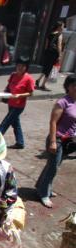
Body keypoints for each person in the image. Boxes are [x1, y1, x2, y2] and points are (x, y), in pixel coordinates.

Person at [35, 75, 76, 208]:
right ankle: (44, 194)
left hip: (69, 141)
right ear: (68, 86)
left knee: (53, 165)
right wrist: (53, 141)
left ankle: (41, 186)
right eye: (73, 85)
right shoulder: (63, 102)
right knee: (52, 168)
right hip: (57, 139)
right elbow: (53, 122)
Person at [0, 57, 35, 149]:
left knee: (5, 122)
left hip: (19, 105)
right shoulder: (13, 75)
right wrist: (5, 92)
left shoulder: (29, 79)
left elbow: (31, 93)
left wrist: (19, 95)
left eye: (22, 66)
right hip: (11, 103)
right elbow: (9, 86)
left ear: (26, 67)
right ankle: (20, 142)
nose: (20, 67)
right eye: (18, 65)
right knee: (15, 123)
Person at [36, 21, 64, 92]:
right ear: (59, 27)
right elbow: (59, 45)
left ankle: (38, 80)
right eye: (62, 26)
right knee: (49, 68)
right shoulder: (59, 35)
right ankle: (43, 85)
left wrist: (46, 51)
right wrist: (60, 55)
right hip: (54, 53)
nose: (63, 28)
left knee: (46, 67)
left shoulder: (50, 33)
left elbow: (46, 44)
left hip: (48, 52)